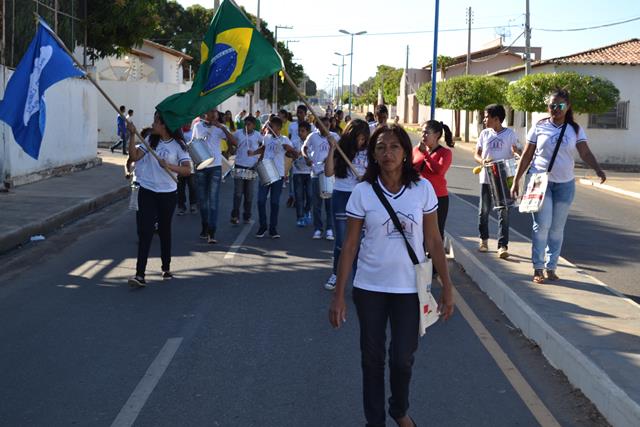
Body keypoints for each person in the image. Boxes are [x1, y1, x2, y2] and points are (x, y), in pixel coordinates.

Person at [329, 124, 455, 427]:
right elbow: (349, 246)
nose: (388, 153)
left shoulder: (422, 189)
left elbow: (434, 241)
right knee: (371, 361)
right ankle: (375, 422)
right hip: (369, 287)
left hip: (409, 289)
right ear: (373, 153)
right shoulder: (362, 192)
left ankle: (399, 410)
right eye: (381, 147)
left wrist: (447, 287)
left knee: (402, 359)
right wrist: (339, 296)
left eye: (394, 147)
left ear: (404, 151)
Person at [511, 89, 606, 284]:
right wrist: (516, 180)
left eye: (560, 106)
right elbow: (527, 155)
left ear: (568, 107)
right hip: (540, 182)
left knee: (556, 229)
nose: (555, 109)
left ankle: (551, 267)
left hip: (565, 184)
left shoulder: (575, 129)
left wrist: (597, 169)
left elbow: (585, 152)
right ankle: (538, 268)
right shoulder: (540, 126)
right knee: (542, 226)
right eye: (552, 106)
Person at [125, 112, 192, 287]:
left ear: (164, 125)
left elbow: (187, 170)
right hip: (147, 191)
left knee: (164, 230)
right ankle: (140, 275)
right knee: (145, 231)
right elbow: (134, 156)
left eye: (156, 121)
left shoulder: (178, 146)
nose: (153, 124)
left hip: (168, 193)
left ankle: (166, 266)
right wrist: (132, 135)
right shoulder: (149, 139)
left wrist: (168, 165)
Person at [323, 119, 370, 291]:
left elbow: (377, 175)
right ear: (351, 135)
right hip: (342, 196)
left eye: (364, 139)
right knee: (342, 240)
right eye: (359, 138)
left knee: (361, 241)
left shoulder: (369, 151)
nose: (361, 142)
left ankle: (358, 278)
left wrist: (366, 179)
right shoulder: (340, 148)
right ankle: (336, 273)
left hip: (362, 198)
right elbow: (328, 172)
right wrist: (332, 150)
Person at [474, 104, 521, 258]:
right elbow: (477, 154)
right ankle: (483, 240)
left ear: (496, 119)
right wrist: (482, 161)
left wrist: (516, 153)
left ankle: (502, 246)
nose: (484, 119)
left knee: (504, 212)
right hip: (487, 178)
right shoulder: (484, 134)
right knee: (483, 211)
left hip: (503, 178)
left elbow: (517, 150)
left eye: (487, 117)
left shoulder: (510, 134)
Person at [192, 108, 237, 243]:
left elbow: (234, 142)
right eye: (210, 112)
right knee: (202, 201)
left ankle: (212, 231)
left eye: (215, 112)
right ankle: (205, 225)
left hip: (215, 168)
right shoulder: (198, 126)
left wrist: (223, 128)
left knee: (213, 200)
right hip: (201, 167)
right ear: (205, 114)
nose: (213, 114)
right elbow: (194, 144)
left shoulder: (221, 128)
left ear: (217, 115)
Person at [250, 116, 298, 238]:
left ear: (279, 128)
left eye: (272, 126)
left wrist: (289, 148)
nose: (269, 127)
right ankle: (262, 226)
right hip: (266, 170)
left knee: (274, 202)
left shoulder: (285, 139)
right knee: (261, 200)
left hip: (278, 174)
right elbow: (263, 149)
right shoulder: (266, 138)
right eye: (269, 125)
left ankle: (273, 228)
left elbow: (295, 155)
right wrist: (253, 153)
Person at [412, 120, 453, 241]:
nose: (423, 136)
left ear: (436, 135)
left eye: (426, 133)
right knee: (417, 228)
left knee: (436, 231)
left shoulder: (445, 153)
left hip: (438, 197)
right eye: (422, 133)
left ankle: (435, 258)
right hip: (417, 195)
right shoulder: (416, 150)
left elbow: (439, 170)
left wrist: (425, 154)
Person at [303, 116, 339, 240]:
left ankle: (330, 229)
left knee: (330, 204)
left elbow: (340, 153)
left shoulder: (335, 137)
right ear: (318, 126)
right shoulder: (312, 136)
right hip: (316, 173)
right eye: (323, 125)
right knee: (317, 204)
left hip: (330, 175)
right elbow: (304, 148)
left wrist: (332, 160)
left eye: (328, 125)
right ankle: (318, 229)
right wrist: (306, 158)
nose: (326, 127)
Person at [230, 115, 262, 224]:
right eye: (245, 124)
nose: (247, 126)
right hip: (239, 165)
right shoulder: (238, 133)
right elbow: (230, 140)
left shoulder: (258, 135)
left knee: (249, 194)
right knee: (238, 193)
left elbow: (263, 147)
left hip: (251, 166)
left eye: (249, 124)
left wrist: (259, 159)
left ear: (253, 125)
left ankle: (247, 215)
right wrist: (232, 149)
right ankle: (235, 215)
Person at [291, 121, 314, 227]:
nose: (300, 133)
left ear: (308, 132)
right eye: (299, 131)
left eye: (303, 131)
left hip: (310, 172)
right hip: (297, 172)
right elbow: (289, 154)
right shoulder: (294, 142)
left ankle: (307, 210)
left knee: (310, 195)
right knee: (299, 196)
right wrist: (293, 155)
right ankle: (300, 217)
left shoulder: (312, 142)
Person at [177, 123, 198, 215]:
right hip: (179, 165)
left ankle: (193, 204)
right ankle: (181, 206)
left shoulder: (193, 132)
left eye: (190, 122)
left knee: (192, 186)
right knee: (180, 188)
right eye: (186, 122)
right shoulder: (177, 133)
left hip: (191, 164)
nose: (189, 124)